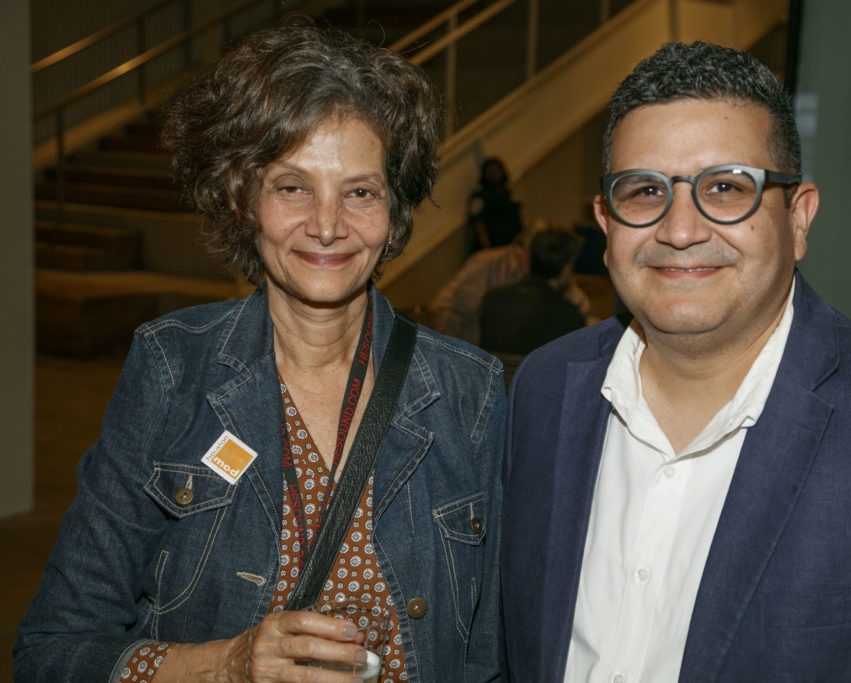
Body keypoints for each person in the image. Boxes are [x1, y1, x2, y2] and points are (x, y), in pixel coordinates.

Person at [500, 41, 851, 681]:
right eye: (644, 191)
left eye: (725, 188)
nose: (681, 229)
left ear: (798, 217)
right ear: (606, 223)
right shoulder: (546, 388)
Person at [15, 22, 504, 682]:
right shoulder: (171, 369)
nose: (328, 224)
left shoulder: (470, 390)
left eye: (359, 191)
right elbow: (52, 648)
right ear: (243, 198)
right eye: (292, 186)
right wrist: (228, 663)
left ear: (393, 211)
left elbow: (490, 658)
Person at [428, 219, 596, 346]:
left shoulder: (549, 271)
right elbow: (444, 307)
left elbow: (581, 309)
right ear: (520, 250)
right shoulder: (487, 263)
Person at [479, 227, 586, 355]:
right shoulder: (569, 316)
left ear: (528, 260)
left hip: (494, 374)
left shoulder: (491, 300)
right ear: (566, 270)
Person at [465, 157, 523, 253]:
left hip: (512, 247)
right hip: (492, 250)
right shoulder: (480, 197)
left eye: (497, 169)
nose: (494, 173)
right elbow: (479, 225)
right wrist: (489, 250)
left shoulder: (509, 194)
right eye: (490, 171)